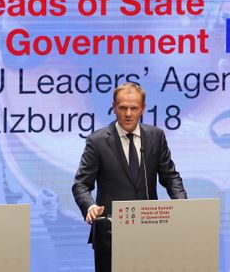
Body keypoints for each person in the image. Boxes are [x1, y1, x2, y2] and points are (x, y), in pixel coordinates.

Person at [72, 82, 187, 272]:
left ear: (143, 108)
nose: (128, 114)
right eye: (123, 108)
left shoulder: (156, 137)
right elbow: (81, 184)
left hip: (149, 233)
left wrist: (184, 205)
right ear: (113, 107)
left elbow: (170, 176)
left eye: (134, 108)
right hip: (111, 236)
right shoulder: (98, 141)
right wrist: (89, 206)